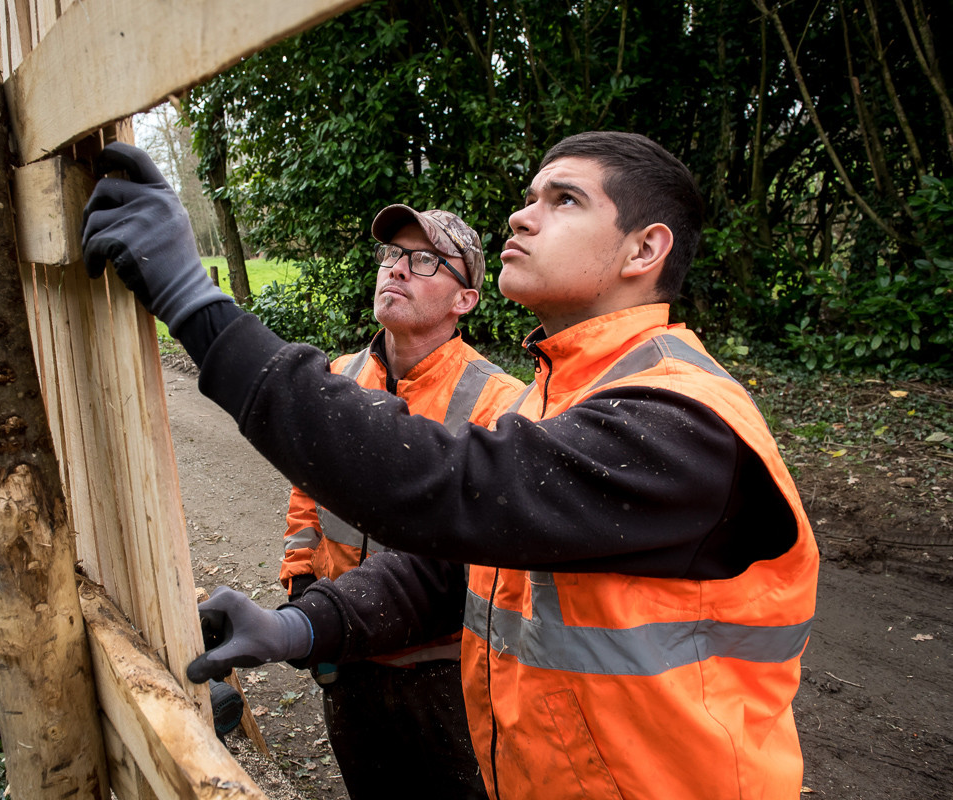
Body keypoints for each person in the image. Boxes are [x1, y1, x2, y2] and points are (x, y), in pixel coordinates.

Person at [81, 133, 820, 800]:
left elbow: (441, 490)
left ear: (642, 250)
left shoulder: (682, 420)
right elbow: (453, 565)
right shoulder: (556, 399)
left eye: (563, 200)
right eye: (529, 198)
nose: (521, 218)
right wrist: (303, 624)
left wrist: (193, 302)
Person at [278, 205, 522, 799]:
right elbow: (306, 499)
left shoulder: (503, 402)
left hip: (446, 676)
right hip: (347, 657)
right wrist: (301, 591)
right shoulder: (336, 377)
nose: (398, 271)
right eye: (391, 256)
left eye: (424, 261)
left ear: (465, 300)